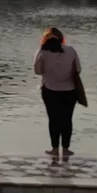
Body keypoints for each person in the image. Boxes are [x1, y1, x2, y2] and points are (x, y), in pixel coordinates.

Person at [33, 27, 82, 158]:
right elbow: (78, 69)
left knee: (53, 120)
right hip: (70, 91)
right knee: (67, 120)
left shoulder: (42, 52)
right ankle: (66, 149)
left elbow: (37, 71)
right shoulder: (71, 51)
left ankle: (54, 149)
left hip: (50, 90)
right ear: (61, 38)